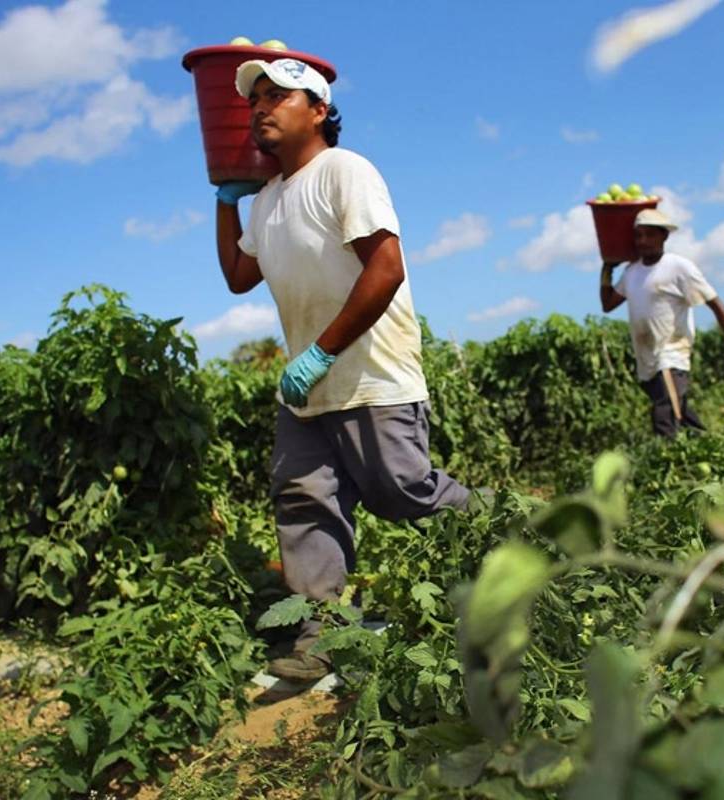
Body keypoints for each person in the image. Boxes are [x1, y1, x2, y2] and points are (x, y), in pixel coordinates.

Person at [214, 57, 471, 680]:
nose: (261, 108)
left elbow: (386, 268)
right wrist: (227, 197)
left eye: (279, 97)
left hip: (368, 372)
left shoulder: (343, 172)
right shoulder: (269, 199)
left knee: (403, 491)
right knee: (303, 501)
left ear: (320, 112)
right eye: (256, 101)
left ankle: (511, 533)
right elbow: (238, 276)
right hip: (308, 389)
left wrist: (323, 352)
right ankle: (320, 635)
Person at [598, 208, 724, 437]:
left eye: (650, 235)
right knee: (679, 413)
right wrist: (607, 270)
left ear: (664, 236)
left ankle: (665, 465)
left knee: (664, 416)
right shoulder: (632, 272)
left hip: (672, 353)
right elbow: (608, 304)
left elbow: (714, 303)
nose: (643, 241)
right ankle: (712, 449)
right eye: (638, 235)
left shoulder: (679, 267)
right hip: (647, 356)